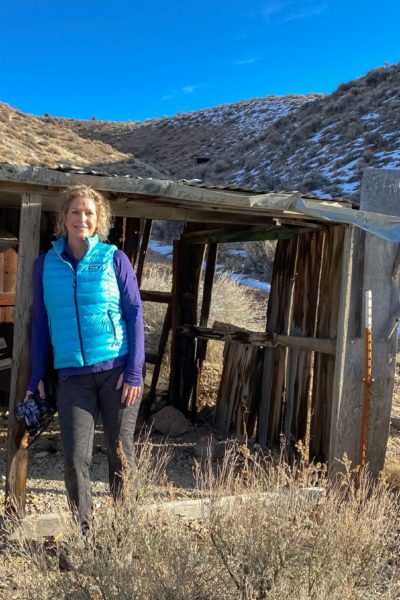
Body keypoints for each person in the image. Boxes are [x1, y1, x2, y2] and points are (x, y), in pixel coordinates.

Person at [24, 185, 145, 531]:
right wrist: (36, 380)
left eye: (89, 212)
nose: (82, 218)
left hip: (116, 372)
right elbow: (42, 326)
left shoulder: (114, 258)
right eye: (75, 212)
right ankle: (86, 535)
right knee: (76, 459)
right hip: (72, 377)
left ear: (99, 219)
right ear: (63, 218)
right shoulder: (44, 265)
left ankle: (126, 533)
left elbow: (134, 313)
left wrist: (134, 371)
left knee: (121, 453)